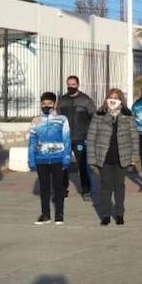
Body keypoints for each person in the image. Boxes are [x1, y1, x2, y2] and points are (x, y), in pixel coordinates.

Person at [86, 89, 139, 226]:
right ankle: (105, 215)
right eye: (111, 97)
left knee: (119, 186)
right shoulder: (99, 114)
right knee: (105, 187)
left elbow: (134, 137)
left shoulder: (128, 115)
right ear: (106, 99)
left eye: (116, 97)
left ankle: (120, 213)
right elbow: (91, 137)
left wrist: (134, 157)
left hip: (122, 157)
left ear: (121, 99)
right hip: (104, 157)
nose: (113, 100)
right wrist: (92, 160)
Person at [28, 92, 72, 225]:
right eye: (44, 104)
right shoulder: (36, 120)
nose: (47, 106)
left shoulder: (62, 119)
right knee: (44, 187)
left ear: (55, 104)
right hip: (41, 158)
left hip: (58, 158)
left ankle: (59, 214)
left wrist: (67, 157)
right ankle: (45, 214)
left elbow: (67, 139)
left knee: (59, 187)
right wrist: (31, 159)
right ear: (41, 104)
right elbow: (32, 140)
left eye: (50, 104)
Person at [58, 76, 95, 200]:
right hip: (65, 138)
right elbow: (57, 118)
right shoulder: (62, 100)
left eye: (73, 84)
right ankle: (62, 190)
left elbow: (94, 118)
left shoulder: (86, 100)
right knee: (63, 165)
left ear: (78, 85)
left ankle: (86, 191)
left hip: (81, 138)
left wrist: (89, 135)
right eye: (69, 84)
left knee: (83, 165)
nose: (71, 86)